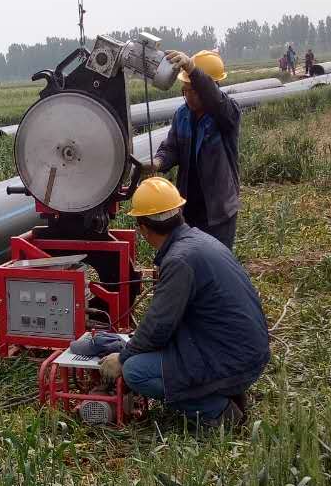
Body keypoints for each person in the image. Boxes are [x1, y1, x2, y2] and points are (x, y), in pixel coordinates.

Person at [94, 176, 270, 430]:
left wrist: (123, 358)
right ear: (178, 212)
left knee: (135, 371)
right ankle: (222, 393)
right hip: (242, 352)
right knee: (141, 353)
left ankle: (220, 412)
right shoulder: (199, 241)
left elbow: (159, 325)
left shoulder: (179, 261)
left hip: (233, 361)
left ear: (142, 228)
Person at [150, 48, 241, 249]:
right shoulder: (182, 115)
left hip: (218, 210)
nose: (190, 96)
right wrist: (158, 162)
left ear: (211, 87)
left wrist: (192, 68)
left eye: (195, 90)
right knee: (191, 257)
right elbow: (172, 147)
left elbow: (216, 99)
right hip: (188, 208)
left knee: (217, 259)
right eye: (186, 90)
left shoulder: (226, 114)